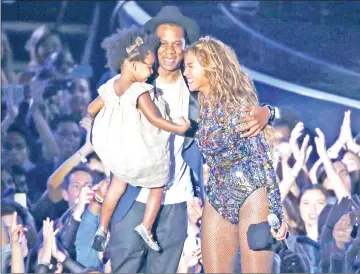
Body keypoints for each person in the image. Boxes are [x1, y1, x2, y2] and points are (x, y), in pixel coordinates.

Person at [105, 6, 276, 273]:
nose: (170, 51)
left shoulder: (197, 90)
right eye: (163, 43)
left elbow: (237, 110)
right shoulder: (131, 83)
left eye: (178, 44)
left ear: (186, 48)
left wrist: (269, 111)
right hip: (134, 195)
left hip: (179, 199)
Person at [183, 36, 288, 273]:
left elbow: (262, 161)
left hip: (252, 196)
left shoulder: (239, 108)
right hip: (218, 197)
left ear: (210, 66)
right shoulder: (203, 106)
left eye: (190, 66)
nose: (185, 72)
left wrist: (275, 211)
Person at [88, 27, 190, 253]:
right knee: (158, 184)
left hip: (119, 152)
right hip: (140, 150)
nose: (151, 71)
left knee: (116, 186)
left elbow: (91, 108)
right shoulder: (140, 91)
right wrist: (179, 127)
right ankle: (146, 226)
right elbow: (155, 119)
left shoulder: (111, 86)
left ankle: (102, 228)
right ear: (133, 65)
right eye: (149, 66)